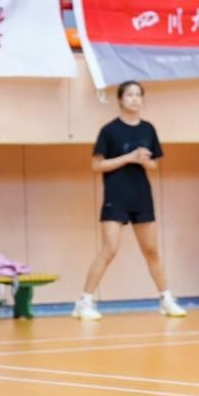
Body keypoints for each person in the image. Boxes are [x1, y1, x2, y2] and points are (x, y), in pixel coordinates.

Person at [73, 81, 186, 321]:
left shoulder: (148, 129)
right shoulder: (109, 130)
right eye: (129, 95)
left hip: (141, 196)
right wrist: (128, 157)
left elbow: (154, 165)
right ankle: (84, 302)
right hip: (116, 197)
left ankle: (166, 299)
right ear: (120, 100)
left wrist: (144, 161)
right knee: (109, 249)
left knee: (152, 251)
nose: (134, 99)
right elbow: (97, 165)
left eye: (138, 95)